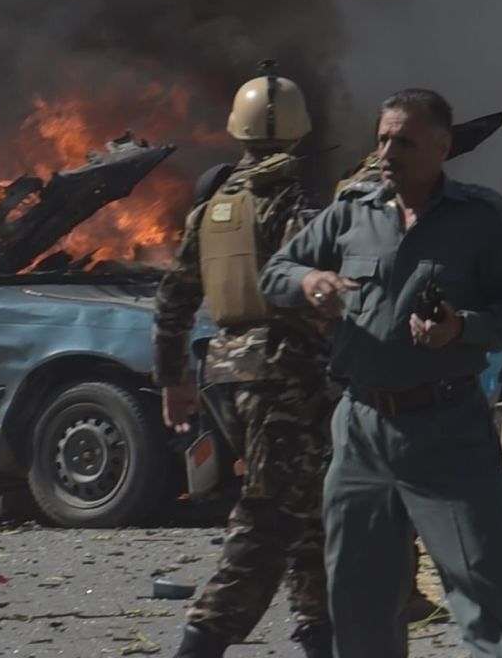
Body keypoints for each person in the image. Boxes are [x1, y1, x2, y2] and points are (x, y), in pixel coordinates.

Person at [261, 88, 502, 658]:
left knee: (485, 596)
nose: (387, 152)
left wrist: (461, 328)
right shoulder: (352, 211)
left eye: (403, 141)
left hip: (447, 428)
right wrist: (309, 283)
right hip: (361, 430)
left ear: (441, 147)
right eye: (383, 138)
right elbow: (276, 271)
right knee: (358, 604)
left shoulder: (479, 219)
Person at [154, 65, 335, 658]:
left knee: (309, 516)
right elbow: (318, 289)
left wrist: (174, 381)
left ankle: (322, 636)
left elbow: (174, 298)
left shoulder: (214, 204)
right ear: (301, 132)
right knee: (270, 521)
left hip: (227, 376)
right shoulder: (297, 201)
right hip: (286, 379)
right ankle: (203, 639)